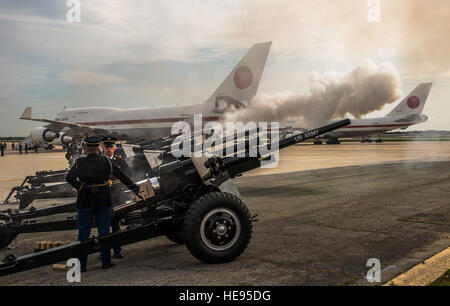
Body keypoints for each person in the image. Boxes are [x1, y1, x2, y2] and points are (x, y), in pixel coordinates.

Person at [65, 136, 140, 271]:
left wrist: (82, 188)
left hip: (85, 200)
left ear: (86, 148)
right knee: (104, 232)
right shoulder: (106, 161)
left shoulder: (79, 162)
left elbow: (69, 178)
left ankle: (81, 265)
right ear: (99, 146)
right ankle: (106, 263)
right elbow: (121, 175)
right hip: (103, 199)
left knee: (83, 234)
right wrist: (134, 187)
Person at [101, 136, 133, 259]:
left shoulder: (119, 160)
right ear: (102, 147)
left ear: (114, 148)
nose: (109, 149)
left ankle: (117, 250)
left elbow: (128, 174)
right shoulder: (100, 160)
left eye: (111, 147)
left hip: (117, 195)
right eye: (107, 147)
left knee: (115, 225)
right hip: (104, 194)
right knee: (103, 225)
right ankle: (104, 251)